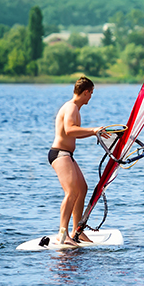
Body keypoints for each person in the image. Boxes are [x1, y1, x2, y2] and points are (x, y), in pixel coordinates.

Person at [48, 76, 108, 246]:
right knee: (72, 192)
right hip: (60, 154)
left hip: (67, 154)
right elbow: (69, 130)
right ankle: (63, 233)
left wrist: (93, 132)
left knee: (82, 188)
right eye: (91, 93)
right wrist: (94, 130)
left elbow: (74, 132)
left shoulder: (74, 108)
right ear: (86, 92)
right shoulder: (71, 107)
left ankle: (77, 231)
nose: (91, 97)